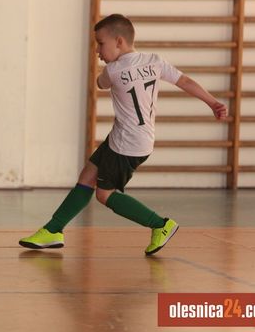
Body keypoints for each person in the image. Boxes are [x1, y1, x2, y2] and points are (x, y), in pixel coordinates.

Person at [19, 14, 228, 255]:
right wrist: (213, 103)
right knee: (88, 175)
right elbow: (185, 81)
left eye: (100, 43)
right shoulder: (155, 61)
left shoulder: (113, 70)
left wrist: (104, 74)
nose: (97, 50)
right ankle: (53, 230)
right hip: (137, 138)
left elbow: (100, 83)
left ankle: (160, 225)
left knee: (104, 194)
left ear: (119, 41)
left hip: (125, 144)